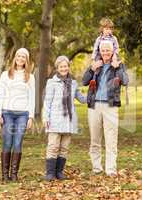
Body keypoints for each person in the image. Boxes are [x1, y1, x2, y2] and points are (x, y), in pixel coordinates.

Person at [82, 40, 129, 177]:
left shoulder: (119, 65)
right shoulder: (96, 64)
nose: (105, 53)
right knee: (95, 140)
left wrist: (117, 68)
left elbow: (125, 81)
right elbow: (84, 81)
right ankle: (97, 168)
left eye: (108, 50)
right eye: (103, 50)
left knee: (111, 139)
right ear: (100, 52)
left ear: (113, 51)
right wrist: (92, 69)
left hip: (110, 106)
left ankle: (111, 169)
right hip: (94, 105)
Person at [42, 56, 86, 181]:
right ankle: (50, 173)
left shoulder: (73, 83)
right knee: (53, 146)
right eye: (61, 66)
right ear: (57, 68)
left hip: (68, 120)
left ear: (68, 67)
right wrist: (45, 117)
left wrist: (93, 93)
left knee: (64, 147)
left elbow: (81, 98)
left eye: (65, 66)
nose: (64, 68)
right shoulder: (52, 82)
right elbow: (47, 102)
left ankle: (59, 172)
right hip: (55, 118)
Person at [0, 47, 35, 182]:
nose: (20, 58)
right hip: (7, 113)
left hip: (22, 114)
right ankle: (5, 175)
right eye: (18, 56)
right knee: (7, 142)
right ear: (15, 58)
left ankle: (14, 174)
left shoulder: (30, 77)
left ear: (26, 60)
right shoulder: (6, 75)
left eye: (23, 57)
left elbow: (32, 97)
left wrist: (30, 117)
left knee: (17, 143)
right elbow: (1, 94)